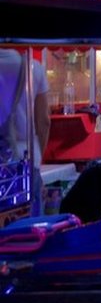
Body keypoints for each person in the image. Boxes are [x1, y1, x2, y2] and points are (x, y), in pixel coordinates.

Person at [0, 48, 51, 215]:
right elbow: (44, 121)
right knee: (30, 232)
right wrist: (38, 158)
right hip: (27, 160)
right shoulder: (34, 67)